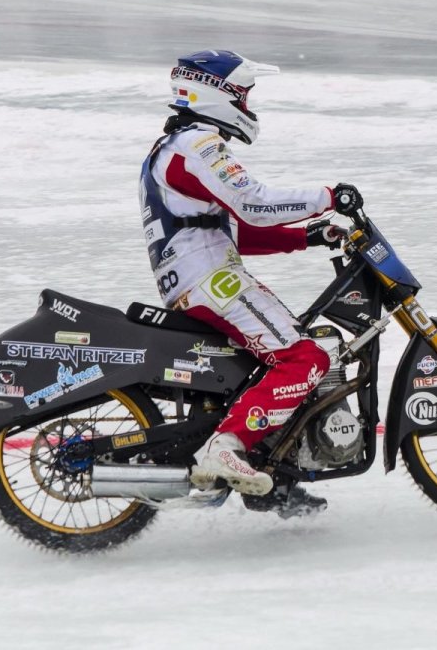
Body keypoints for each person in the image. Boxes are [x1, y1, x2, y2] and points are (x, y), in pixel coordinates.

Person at [139, 49, 362, 516]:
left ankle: (278, 477)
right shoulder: (198, 145)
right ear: (215, 92)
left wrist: (307, 236)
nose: (247, 100)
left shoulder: (175, 149)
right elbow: (254, 203)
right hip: (211, 281)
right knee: (305, 357)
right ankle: (228, 446)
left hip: (198, 277)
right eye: (242, 91)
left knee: (273, 359)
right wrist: (328, 197)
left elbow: (231, 228)